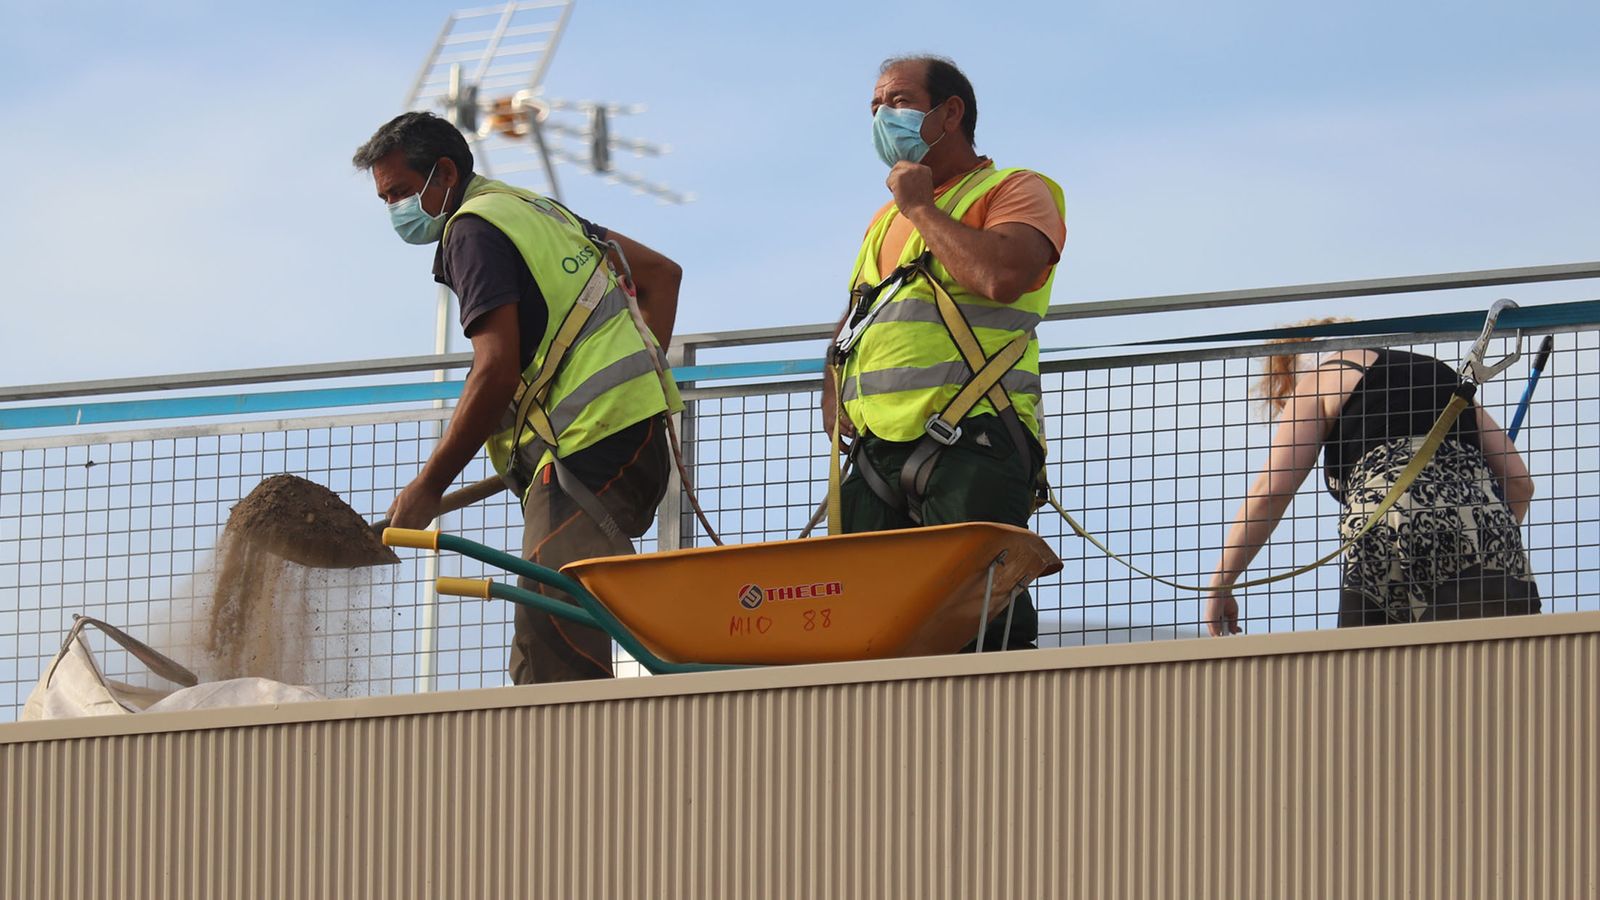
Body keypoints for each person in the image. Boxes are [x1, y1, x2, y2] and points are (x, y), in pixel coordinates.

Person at [353, 111, 684, 683]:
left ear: (446, 173)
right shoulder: (532, 208)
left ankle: (571, 742)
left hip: (590, 443)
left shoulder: (472, 230)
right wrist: (637, 382)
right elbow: (662, 274)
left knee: (552, 629)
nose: (395, 210)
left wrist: (430, 485)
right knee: (549, 620)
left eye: (402, 192)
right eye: (385, 199)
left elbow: (496, 368)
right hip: (618, 438)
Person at [823, 56, 1067, 651]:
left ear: (950, 112)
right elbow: (856, 318)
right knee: (862, 621)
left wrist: (921, 208)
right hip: (876, 448)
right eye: (875, 107)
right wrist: (834, 397)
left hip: (974, 435)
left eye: (898, 101)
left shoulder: (1015, 189)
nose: (882, 117)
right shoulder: (882, 223)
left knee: (979, 622)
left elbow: (1002, 276)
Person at [1206, 328, 1540, 635]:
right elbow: (1519, 483)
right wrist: (1475, 533)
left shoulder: (1321, 377)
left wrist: (1222, 582)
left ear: (1289, 372)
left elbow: (1271, 491)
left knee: (1374, 671)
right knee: (1495, 667)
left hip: (1390, 531)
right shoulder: (1442, 375)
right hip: (1488, 531)